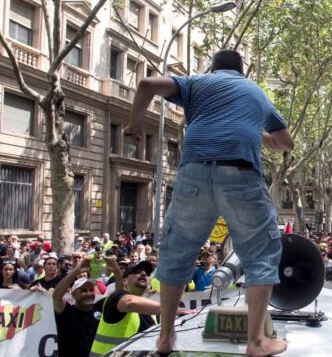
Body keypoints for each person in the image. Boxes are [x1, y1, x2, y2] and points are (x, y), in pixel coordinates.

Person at [124, 49, 293, 356]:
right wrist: (257, 134)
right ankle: (256, 342)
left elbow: (147, 84)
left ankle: (165, 337)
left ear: (212, 68)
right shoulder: (257, 93)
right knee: (261, 254)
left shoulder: (197, 82)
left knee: (178, 252)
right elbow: (286, 143)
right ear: (243, 72)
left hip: (194, 171)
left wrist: (134, 125)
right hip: (241, 173)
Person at [90, 261, 194, 356]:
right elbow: (129, 302)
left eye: (147, 273)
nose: (144, 274)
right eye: (137, 271)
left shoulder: (149, 311)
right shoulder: (116, 297)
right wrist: (175, 311)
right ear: (125, 281)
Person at [53, 256, 121, 357]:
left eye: (91, 290)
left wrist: (117, 272)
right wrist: (76, 271)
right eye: (84, 291)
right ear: (74, 294)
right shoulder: (66, 312)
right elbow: (56, 296)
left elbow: (119, 294)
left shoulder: (99, 307)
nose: (89, 293)